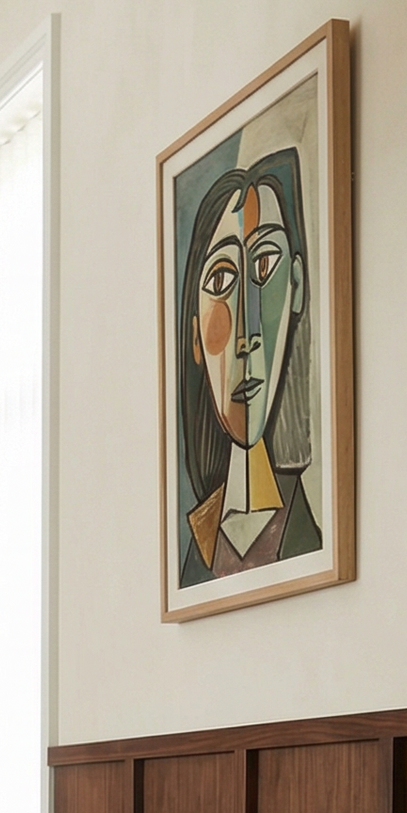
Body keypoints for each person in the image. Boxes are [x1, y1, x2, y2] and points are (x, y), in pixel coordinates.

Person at [177, 147, 322, 585]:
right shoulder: (196, 544)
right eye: (222, 280)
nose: (247, 332)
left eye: (264, 265)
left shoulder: (308, 531)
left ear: (296, 287)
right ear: (196, 335)